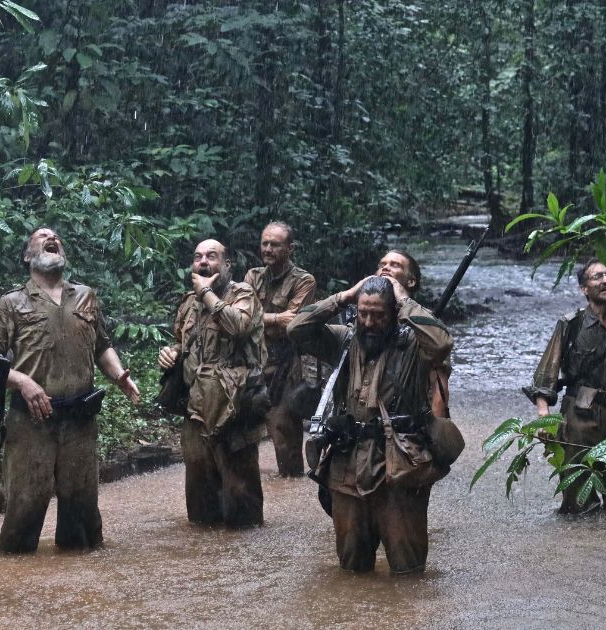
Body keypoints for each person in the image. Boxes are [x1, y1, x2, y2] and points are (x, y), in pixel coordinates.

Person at [0, 228, 141, 553]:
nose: (51, 238)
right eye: (41, 237)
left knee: (82, 521)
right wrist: (23, 382)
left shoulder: (85, 295)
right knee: (23, 512)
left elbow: (102, 346)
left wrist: (119, 376)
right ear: (28, 256)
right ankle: (16, 585)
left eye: (56, 237)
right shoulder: (11, 303)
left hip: (81, 421)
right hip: (31, 422)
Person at [288, 275, 453, 573]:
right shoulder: (343, 340)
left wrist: (404, 300)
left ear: (393, 314)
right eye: (363, 313)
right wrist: (344, 297)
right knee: (351, 571)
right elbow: (296, 328)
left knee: (409, 573)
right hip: (346, 469)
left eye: (378, 315)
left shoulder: (414, 346)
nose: (368, 322)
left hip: (400, 471)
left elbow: (441, 345)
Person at [523, 259, 606, 514]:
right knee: (578, 505)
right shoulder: (571, 324)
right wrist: (544, 418)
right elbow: (545, 375)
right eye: (597, 277)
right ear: (584, 289)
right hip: (580, 421)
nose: (605, 281)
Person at [158, 239, 267, 527]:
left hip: (236, 406)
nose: (203, 262)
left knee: (241, 498)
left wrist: (206, 292)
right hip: (195, 408)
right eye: (197, 257)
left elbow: (237, 326)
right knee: (200, 498)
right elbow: (181, 344)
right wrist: (170, 354)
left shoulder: (244, 294)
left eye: (212, 256)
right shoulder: (187, 304)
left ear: (227, 265)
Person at [242, 222, 317, 476]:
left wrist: (260, 319)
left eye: (275, 244)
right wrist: (275, 318)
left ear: (290, 248)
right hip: (252, 362)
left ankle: (290, 484)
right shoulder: (253, 276)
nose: (268, 249)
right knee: (242, 433)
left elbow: (293, 323)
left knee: (284, 433)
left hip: (287, 365)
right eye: (265, 243)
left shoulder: (304, 280)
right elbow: (242, 318)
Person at [375, 250, 452, 419]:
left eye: (395, 265)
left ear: (411, 281)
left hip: (405, 428)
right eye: (382, 265)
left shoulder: (424, 323)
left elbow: (439, 388)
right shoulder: (362, 317)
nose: (386, 268)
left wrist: (436, 437)